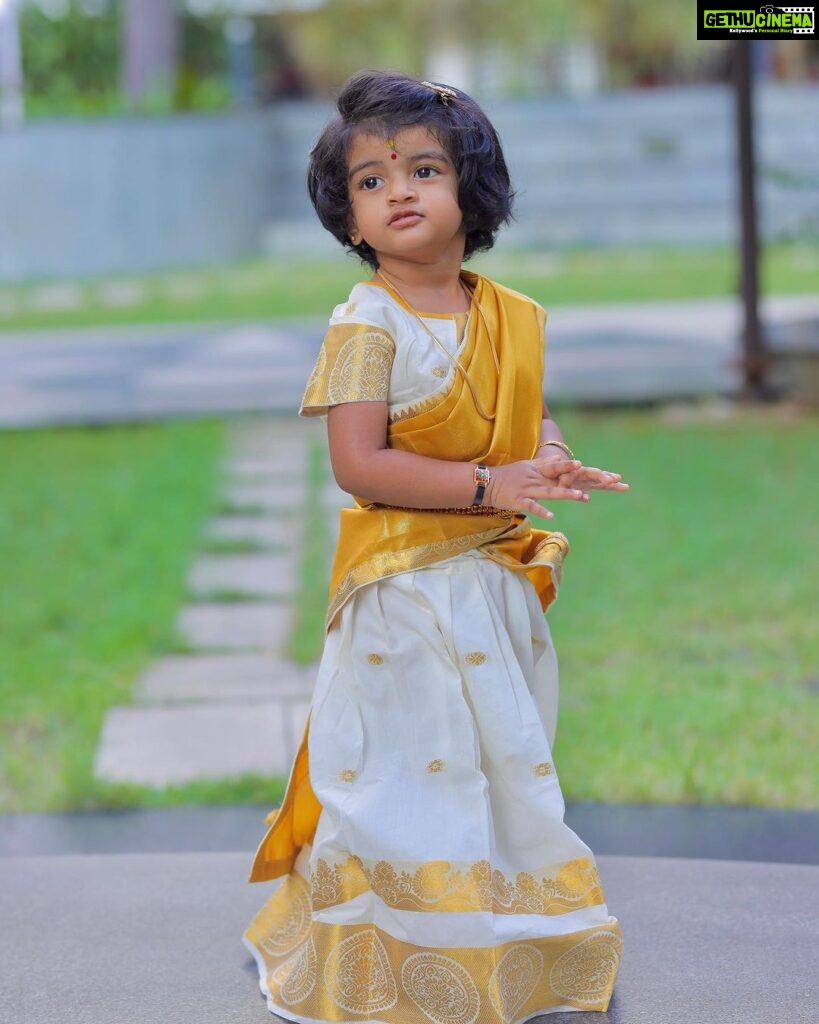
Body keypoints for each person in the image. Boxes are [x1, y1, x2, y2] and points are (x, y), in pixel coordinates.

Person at [243, 69, 629, 1023]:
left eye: (423, 168)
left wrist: (547, 465)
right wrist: (487, 486)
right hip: (404, 601)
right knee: (409, 766)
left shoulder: (505, 314)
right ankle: (391, 958)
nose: (399, 191)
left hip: (489, 591)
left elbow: (526, 425)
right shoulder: (364, 324)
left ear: (474, 190)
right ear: (348, 216)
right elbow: (359, 465)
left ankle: (496, 940)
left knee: (499, 760)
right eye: (370, 182)